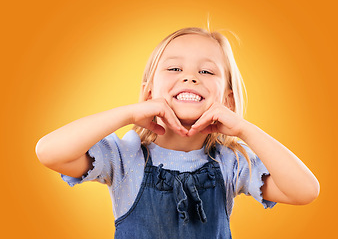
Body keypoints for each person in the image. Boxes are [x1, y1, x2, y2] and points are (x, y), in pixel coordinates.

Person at [35, 27, 320, 238]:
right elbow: (48, 151)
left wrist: (244, 129)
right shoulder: (125, 157)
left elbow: (305, 191)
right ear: (149, 94)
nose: (190, 77)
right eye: (174, 68)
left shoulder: (230, 163)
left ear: (228, 101)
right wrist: (129, 113)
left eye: (207, 72)